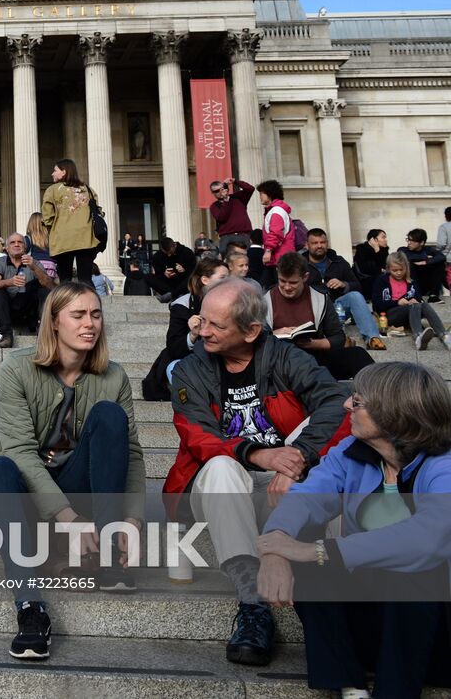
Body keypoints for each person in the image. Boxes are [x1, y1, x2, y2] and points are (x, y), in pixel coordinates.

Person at [163, 278, 351, 667]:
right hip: (217, 492)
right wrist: (261, 455)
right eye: (202, 321)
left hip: (283, 489)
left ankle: (346, 610)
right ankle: (253, 603)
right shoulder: (190, 370)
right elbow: (198, 436)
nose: (202, 331)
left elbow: (336, 402)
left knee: (334, 428)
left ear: (251, 331)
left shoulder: (285, 357)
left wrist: (299, 457)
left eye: (216, 325)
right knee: (220, 467)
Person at [0, 282, 147, 661]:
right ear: (53, 322)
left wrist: (132, 519)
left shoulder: (114, 377)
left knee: (110, 416)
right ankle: (31, 608)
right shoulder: (16, 369)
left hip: (80, 481)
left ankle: (109, 551)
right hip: (28, 489)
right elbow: (19, 451)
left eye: (95, 314)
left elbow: (130, 452)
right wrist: (67, 517)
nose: (90, 324)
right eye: (78, 315)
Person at [257, 362, 451, 698]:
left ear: (395, 414)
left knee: (412, 565)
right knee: (309, 559)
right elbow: (303, 500)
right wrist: (275, 550)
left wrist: (323, 551)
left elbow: (430, 538)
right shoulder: (351, 453)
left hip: (437, 634)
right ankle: (351, 686)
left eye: (357, 402)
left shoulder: (443, 464)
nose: (347, 405)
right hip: (377, 627)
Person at [263, 253, 375, 380]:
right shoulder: (264, 301)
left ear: (305, 277)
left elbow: (338, 337)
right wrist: (274, 334)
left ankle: (379, 394)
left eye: (293, 282)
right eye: (282, 281)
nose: (287, 287)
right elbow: (252, 340)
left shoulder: (320, 298)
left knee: (357, 355)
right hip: (279, 361)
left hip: (314, 357)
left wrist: (313, 344)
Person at [142, 257, 230, 401]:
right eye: (223, 278)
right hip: (191, 361)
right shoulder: (183, 305)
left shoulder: (235, 304)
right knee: (175, 369)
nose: (228, 283)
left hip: (223, 363)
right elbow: (174, 348)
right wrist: (193, 335)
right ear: (205, 280)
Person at [301, 228, 383, 351]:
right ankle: (341, 340)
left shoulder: (339, 261)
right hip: (312, 309)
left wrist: (343, 284)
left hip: (337, 306)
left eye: (322, 242)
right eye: (314, 243)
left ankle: (372, 338)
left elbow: (357, 285)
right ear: (307, 245)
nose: (319, 246)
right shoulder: (299, 264)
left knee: (355, 296)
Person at [0, 232, 57, 348]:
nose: (16, 245)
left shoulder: (34, 262)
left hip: (28, 309)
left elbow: (49, 285)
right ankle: (6, 335)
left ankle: (44, 333)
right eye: (12, 242)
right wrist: (9, 282)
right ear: (6, 248)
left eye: (20, 242)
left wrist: (34, 268)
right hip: (7, 309)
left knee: (42, 289)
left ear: (25, 247)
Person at [373, 251, 449, 350]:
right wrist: (397, 302)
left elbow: (418, 297)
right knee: (414, 305)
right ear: (388, 269)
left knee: (423, 304)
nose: (399, 273)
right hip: (389, 315)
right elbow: (376, 303)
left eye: (401, 269)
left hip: (411, 311)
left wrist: (415, 300)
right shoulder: (381, 280)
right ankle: (418, 337)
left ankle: (444, 335)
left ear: (406, 267)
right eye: (394, 270)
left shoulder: (410, 280)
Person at [40, 160, 100, 282]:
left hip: (62, 239)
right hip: (86, 239)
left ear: (64, 172)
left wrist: (53, 228)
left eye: (55, 170)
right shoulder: (88, 190)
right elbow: (98, 211)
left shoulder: (52, 190)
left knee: (65, 279)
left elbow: (47, 216)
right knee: (86, 279)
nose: (52, 173)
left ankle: (66, 301)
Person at [257, 180, 297, 286]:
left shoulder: (276, 212)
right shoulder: (277, 211)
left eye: (261, 193)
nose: (260, 196)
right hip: (278, 258)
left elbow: (276, 233)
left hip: (279, 258)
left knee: (271, 288)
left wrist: (268, 250)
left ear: (269, 194)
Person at [209, 177, 256, 257]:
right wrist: (226, 200)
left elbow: (250, 189)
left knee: (246, 261)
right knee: (228, 263)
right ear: (213, 193)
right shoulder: (214, 206)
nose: (220, 192)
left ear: (226, 188)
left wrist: (235, 181)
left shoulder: (237, 198)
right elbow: (221, 217)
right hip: (227, 237)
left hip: (244, 235)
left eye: (222, 189)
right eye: (216, 191)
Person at [399, 227, 446, 302]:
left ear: (421, 243)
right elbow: (405, 257)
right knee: (410, 265)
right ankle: (416, 295)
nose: (409, 243)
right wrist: (426, 257)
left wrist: (425, 262)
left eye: (412, 241)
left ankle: (433, 295)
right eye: (408, 240)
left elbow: (442, 257)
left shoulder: (428, 250)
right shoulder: (403, 249)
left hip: (427, 281)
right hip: (412, 284)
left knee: (439, 264)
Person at [145, 237, 198, 301]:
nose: (169, 255)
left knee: (191, 278)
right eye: (166, 253)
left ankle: (173, 294)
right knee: (148, 277)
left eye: (170, 252)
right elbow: (157, 274)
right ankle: (175, 294)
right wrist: (164, 274)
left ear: (174, 246)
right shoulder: (158, 256)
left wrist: (184, 270)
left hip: (183, 282)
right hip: (168, 285)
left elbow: (194, 272)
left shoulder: (187, 253)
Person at [351, 228, 388, 300]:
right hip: (364, 281)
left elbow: (385, 266)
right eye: (383, 237)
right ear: (374, 240)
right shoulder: (362, 249)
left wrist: (377, 250)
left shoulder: (383, 250)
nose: (386, 240)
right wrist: (380, 270)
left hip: (378, 279)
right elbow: (365, 268)